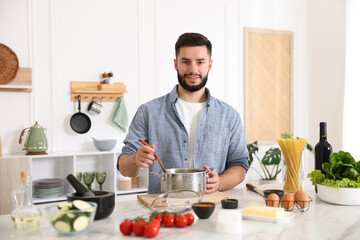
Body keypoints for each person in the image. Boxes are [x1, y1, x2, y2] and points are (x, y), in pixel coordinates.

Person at [117, 32, 249, 194]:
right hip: (163, 210)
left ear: (210, 65)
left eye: (200, 62)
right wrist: (135, 159)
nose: (193, 69)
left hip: (212, 210)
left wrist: (219, 182)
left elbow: (239, 164)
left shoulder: (229, 115)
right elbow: (124, 168)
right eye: (186, 62)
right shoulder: (148, 111)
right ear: (176, 64)